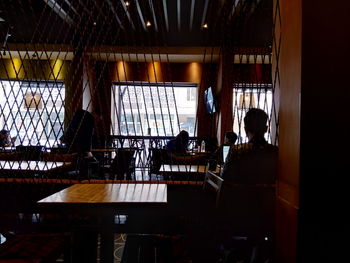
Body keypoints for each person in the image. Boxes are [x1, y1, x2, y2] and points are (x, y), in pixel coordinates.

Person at [221, 108, 278, 184]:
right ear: (266, 129)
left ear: (245, 129)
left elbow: (225, 177)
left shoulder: (236, 151)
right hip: (268, 195)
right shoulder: (276, 152)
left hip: (240, 195)